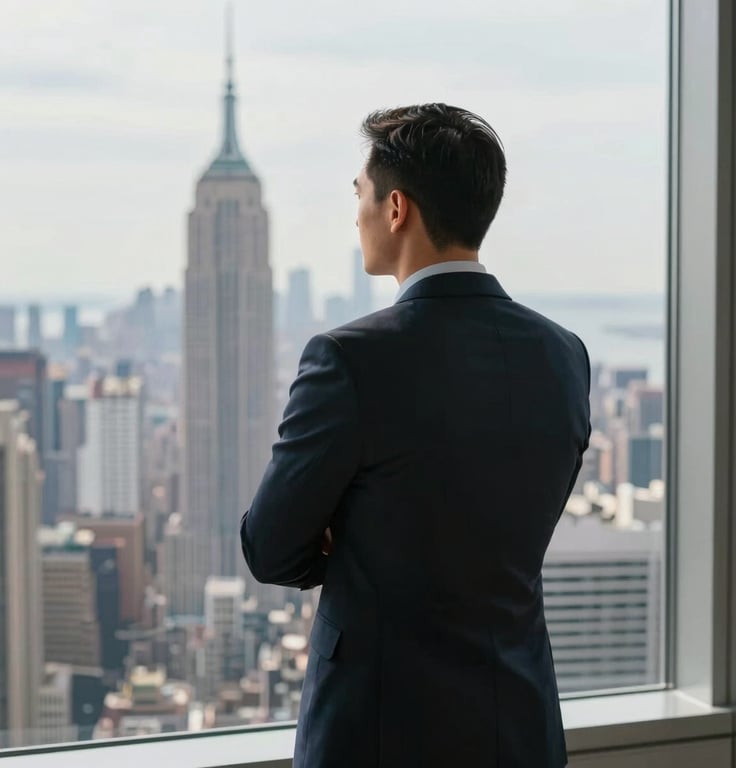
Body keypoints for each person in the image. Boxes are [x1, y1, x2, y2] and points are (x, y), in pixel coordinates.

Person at [240, 103, 591, 768]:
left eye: (360, 195)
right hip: (517, 726)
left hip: (377, 735)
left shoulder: (350, 360)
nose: (357, 214)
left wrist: (353, 537)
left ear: (396, 208)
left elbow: (269, 547)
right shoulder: (563, 355)